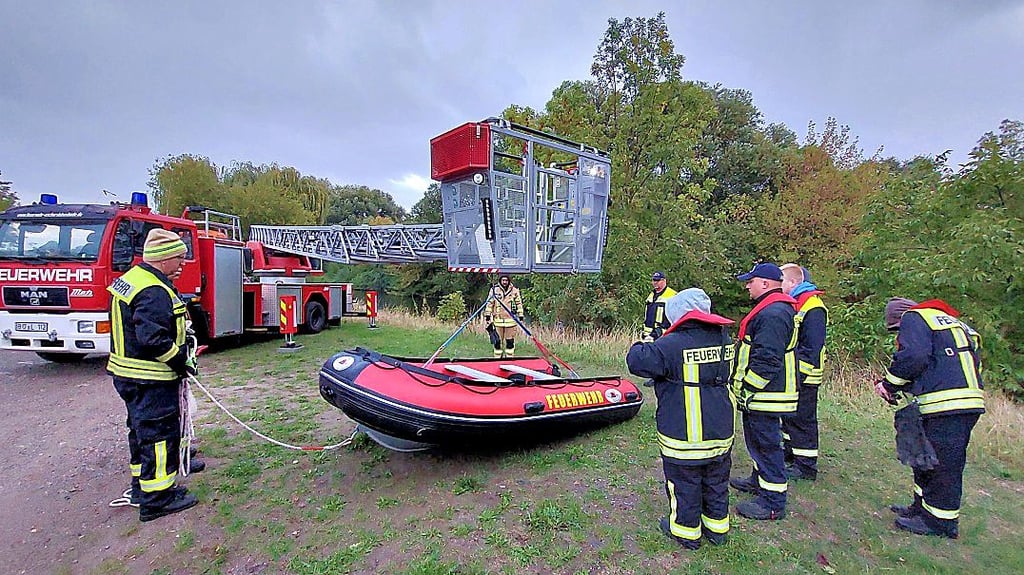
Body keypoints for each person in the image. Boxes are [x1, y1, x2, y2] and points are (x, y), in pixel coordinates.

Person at [627, 288, 735, 549]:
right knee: (716, 480)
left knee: (684, 483)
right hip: (720, 428)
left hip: (684, 432)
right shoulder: (725, 340)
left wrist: (646, 341)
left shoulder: (671, 345)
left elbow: (636, 361)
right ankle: (717, 529)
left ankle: (686, 532)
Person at [107, 228, 200, 521]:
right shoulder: (153, 291)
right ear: (163, 259)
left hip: (129, 375)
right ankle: (158, 498)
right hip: (151, 377)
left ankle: (141, 487)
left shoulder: (132, 280)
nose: (183, 263)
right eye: (179, 257)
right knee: (159, 436)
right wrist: (181, 361)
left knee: (140, 432)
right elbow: (153, 339)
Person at [876, 297, 984, 539]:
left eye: (896, 329)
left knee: (943, 465)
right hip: (963, 400)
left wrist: (889, 384)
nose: (898, 335)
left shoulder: (915, 317)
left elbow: (914, 356)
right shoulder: (951, 322)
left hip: (947, 404)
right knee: (926, 457)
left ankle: (941, 523)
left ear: (900, 317)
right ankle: (921, 509)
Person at [729, 262, 798, 521]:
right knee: (759, 443)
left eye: (751, 281)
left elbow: (767, 359)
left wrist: (748, 389)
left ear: (766, 283)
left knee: (767, 446)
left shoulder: (773, 314)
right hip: (765, 395)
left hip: (766, 395)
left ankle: (772, 502)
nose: (747, 286)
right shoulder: (773, 309)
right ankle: (759, 481)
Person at [779, 264, 828, 481]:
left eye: (781, 282)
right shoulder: (798, 304)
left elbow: (811, 348)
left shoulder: (813, 307)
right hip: (794, 374)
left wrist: (799, 375)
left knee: (803, 419)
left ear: (793, 283)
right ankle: (791, 455)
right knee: (790, 418)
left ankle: (806, 465)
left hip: (806, 376)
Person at [484, 274, 524, 358]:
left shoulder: (514, 291)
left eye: (506, 280)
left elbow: (518, 303)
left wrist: (520, 315)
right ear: (500, 281)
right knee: (497, 342)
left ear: (509, 281)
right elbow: (490, 303)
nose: (504, 282)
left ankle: (509, 358)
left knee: (510, 342)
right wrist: (487, 315)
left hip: (511, 321)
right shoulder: (494, 290)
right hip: (498, 321)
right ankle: (497, 358)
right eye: (503, 280)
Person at [642, 271, 677, 342]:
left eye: (658, 280)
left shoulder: (672, 296)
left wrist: (658, 332)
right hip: (648, 336)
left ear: (664, 281)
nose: (655, 282)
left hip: (663, 336)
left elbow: (673, 319)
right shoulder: (651, 296)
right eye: (654, 280)